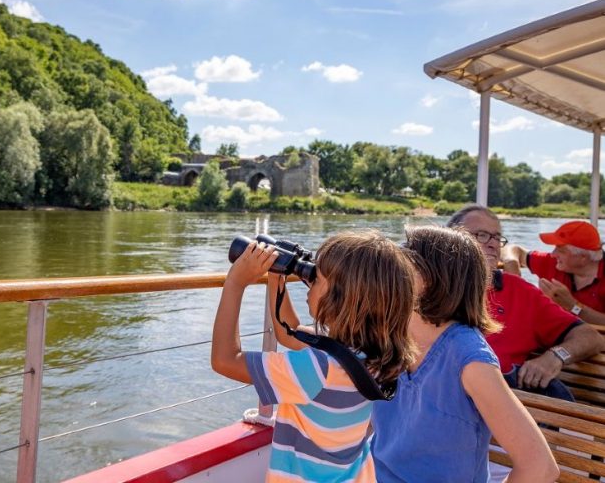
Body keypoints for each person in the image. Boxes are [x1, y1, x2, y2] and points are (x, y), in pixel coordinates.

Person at [211, 231, 416, 483]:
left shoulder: (318, 367)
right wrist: (278, 274)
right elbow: (289, 333)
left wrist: (236, 283)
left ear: (341, 298)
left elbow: (225, 360)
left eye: (317, 278)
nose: (309, 279)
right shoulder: (370, 353)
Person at [370, 225, 558, 483]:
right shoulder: (392, 337)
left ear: (435, 279)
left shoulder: (468, 357)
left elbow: (540, 466)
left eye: (404, 259)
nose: (391, 266)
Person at [449, 205, 604, 399]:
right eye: (482, 235)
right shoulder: (424, 286)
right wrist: (512, 264)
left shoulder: (520, 292)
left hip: (497, 405)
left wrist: (556, 356)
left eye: (497, 237)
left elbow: (592, 337)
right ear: (449, 239)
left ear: (582, 257)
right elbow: (516, 250)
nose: (494, 244)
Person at [503, 220, 605, 325]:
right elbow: (513, 249)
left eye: (561, 250)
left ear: (583, 257)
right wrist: (511, 263)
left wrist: (573, 306)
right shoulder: (554, 263)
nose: (553, 254)